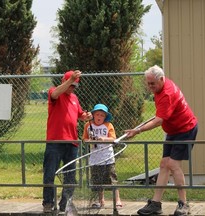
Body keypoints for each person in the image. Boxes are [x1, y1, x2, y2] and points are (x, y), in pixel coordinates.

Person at [125, 65, 198, 216]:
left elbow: (158, 121)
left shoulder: (167, 94)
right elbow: (162, 115)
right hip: (173, 130)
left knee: (173, 165)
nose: (150, 86)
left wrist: (138, 130)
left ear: (161, 79)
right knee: (164, 164)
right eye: (148, 83)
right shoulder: (161, 86)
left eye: (152, 83)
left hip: (186, 129)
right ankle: (156, 204)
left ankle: (184, 204)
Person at [42, 70, 92, 213]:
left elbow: (79, 114)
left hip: (72, 142)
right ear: (64, 81)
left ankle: (66, 202)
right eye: (71, 84)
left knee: (70, 176)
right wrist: (70, 80)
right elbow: (54, 94)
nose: (72, 88)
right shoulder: (55, 92)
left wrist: (85, 116)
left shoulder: (74, 98)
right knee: (50, 173)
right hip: (55, 141)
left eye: (75, 86)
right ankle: (48, 203)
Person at [82, 103, 122, 209]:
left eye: (102, 115)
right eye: (97, 114)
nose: (99, 117)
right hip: (95, 158)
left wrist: (103, 139)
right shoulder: (87, 125)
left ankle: (117, 199)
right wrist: (91, 140)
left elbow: (113, 138)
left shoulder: (108, 125)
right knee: (97, 180)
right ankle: (100, 200)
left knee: (112, 178)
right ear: (93, 115)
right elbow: (85, 139)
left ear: (105, 117)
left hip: (107, 157)